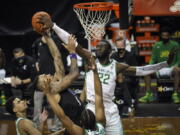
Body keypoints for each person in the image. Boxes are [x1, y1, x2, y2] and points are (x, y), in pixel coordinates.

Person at [36, 14, 177, 135]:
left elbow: (142, 70)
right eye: (97, 46)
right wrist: (53, 25)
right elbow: (72, 42)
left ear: (110, 51)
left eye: (101, 46)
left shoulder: (117, 66)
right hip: (92, 107)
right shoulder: (91, 58)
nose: (98, 48)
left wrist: (166, 63)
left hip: (110, 108)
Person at [33, 33, 84, 135]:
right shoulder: (54, 90)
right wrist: (72, 52)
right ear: (44, 86)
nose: (47, 74)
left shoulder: (56, 84)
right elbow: (74, 73)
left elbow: (56, 56)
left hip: (80, 120)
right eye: (44, 77)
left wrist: (47, 36)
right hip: (76, 127)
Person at [40, 56, 106, 135]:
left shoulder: (81, 133)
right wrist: (95, 72)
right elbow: (98, 95)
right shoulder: (101, 125)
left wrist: (47, 93)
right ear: (96, 120)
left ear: (81, 124)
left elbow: (62, 116)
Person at [138, 27, 180, 103]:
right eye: (163, 36)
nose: (165, 37)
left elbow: (179, 59)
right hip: (159, 68)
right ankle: (148, 94)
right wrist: (150, 66)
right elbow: (153, 58)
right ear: (161, 36)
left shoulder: (175, 45)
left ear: (169, 36)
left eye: (166, 36)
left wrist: (176, 65)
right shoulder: (156, 45)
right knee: (147, 70)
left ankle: (175, 94)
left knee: (177, 70)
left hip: (171, 68)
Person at [111, 37, 138, 116]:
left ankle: (129, 105)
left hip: (128, 78)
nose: (120, 49)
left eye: (122, 47)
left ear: (125, 46)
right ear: (116, 46)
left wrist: (124, 73)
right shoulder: (113, 56)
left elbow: (134, 70)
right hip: (115, 78)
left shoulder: (131, 56)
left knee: (124, 80)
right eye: (118, 48)